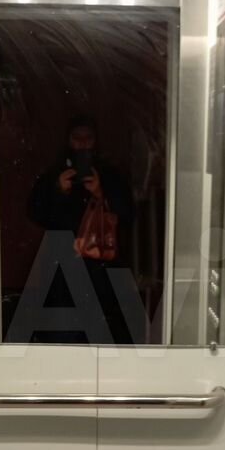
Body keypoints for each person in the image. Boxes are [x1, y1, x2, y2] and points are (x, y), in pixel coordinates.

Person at [24, 115, 135, 344]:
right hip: (62, 269)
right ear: (68, 140)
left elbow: (128, 214)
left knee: (100, 336)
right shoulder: (55, 175)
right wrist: (58, 190)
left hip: (100, 267)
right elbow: (36, 213)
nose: (83, 144)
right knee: (63, 333)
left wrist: (101, 193)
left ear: (96, 141)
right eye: (77, 137)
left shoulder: (110, 175)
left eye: (88, 138)